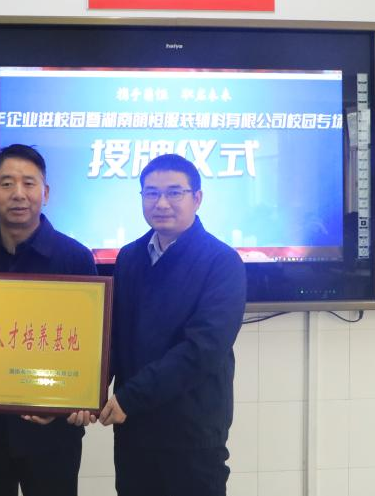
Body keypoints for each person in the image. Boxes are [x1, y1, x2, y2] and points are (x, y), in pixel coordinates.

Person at [0, 144, 98, 496]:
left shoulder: (75, 258)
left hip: (51, 430)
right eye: (7, 183)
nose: (18, 194)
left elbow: (91, 343)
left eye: (29, 183)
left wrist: (75, 403)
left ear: (46, 193)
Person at [99, 153, 247, 496]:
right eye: (151, 193)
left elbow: (202, 350)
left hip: (191, 433)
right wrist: (86, 392)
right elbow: (115, 337)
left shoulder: (222, 262)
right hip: (134, 432)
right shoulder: (130, 256)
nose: (161, 203)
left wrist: (130, 398)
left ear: (197, 198)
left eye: (174, 192)